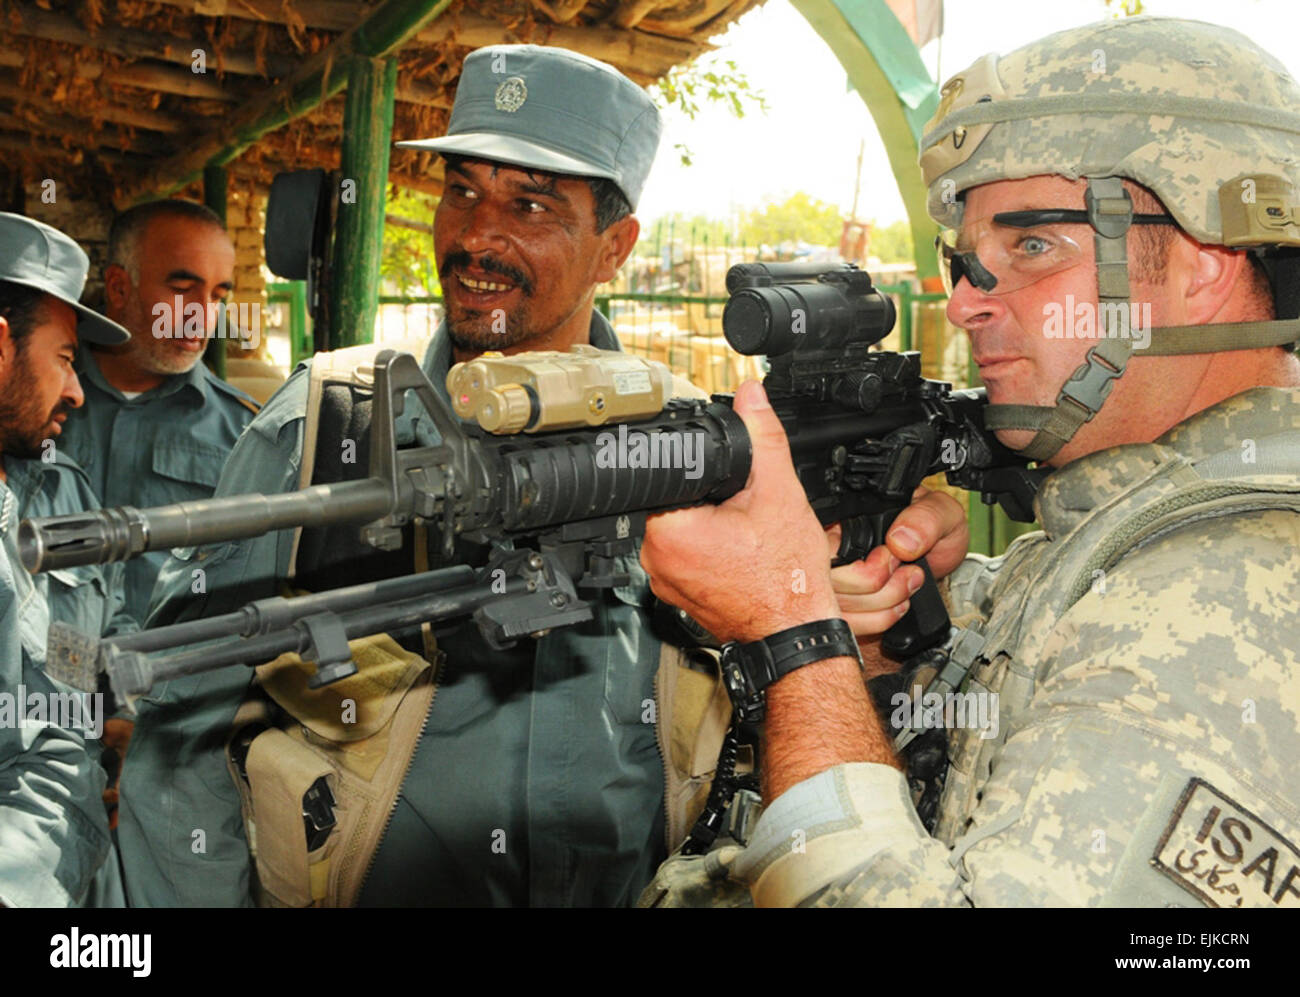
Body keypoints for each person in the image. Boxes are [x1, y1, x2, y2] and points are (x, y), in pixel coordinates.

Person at [638, 16, 1300, 908]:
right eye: (965, 262)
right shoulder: (1121, 528)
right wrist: (873, 659)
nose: (963, 305)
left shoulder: (1230, 581)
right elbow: (966, 803)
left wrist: (790, 633)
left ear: (1206, 260)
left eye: (1032, 246)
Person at [119, 44, 726, 907]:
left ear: (614, 248)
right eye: (463, 191)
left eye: (531, 203)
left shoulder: (691, 453)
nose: (479, 235)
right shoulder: (325, 428)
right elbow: (182, 738)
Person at [0, 212, 132, 906]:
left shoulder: (63, 489)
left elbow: (104, 628)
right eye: (63, 358)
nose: (78, 392)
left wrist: (116, 706)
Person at [59, 199, 259, 625]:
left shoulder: (246, 432)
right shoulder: (32, 407)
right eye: (182, 290)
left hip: (175, 681)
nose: (203, 316)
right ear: (118, 287)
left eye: (219, 295)